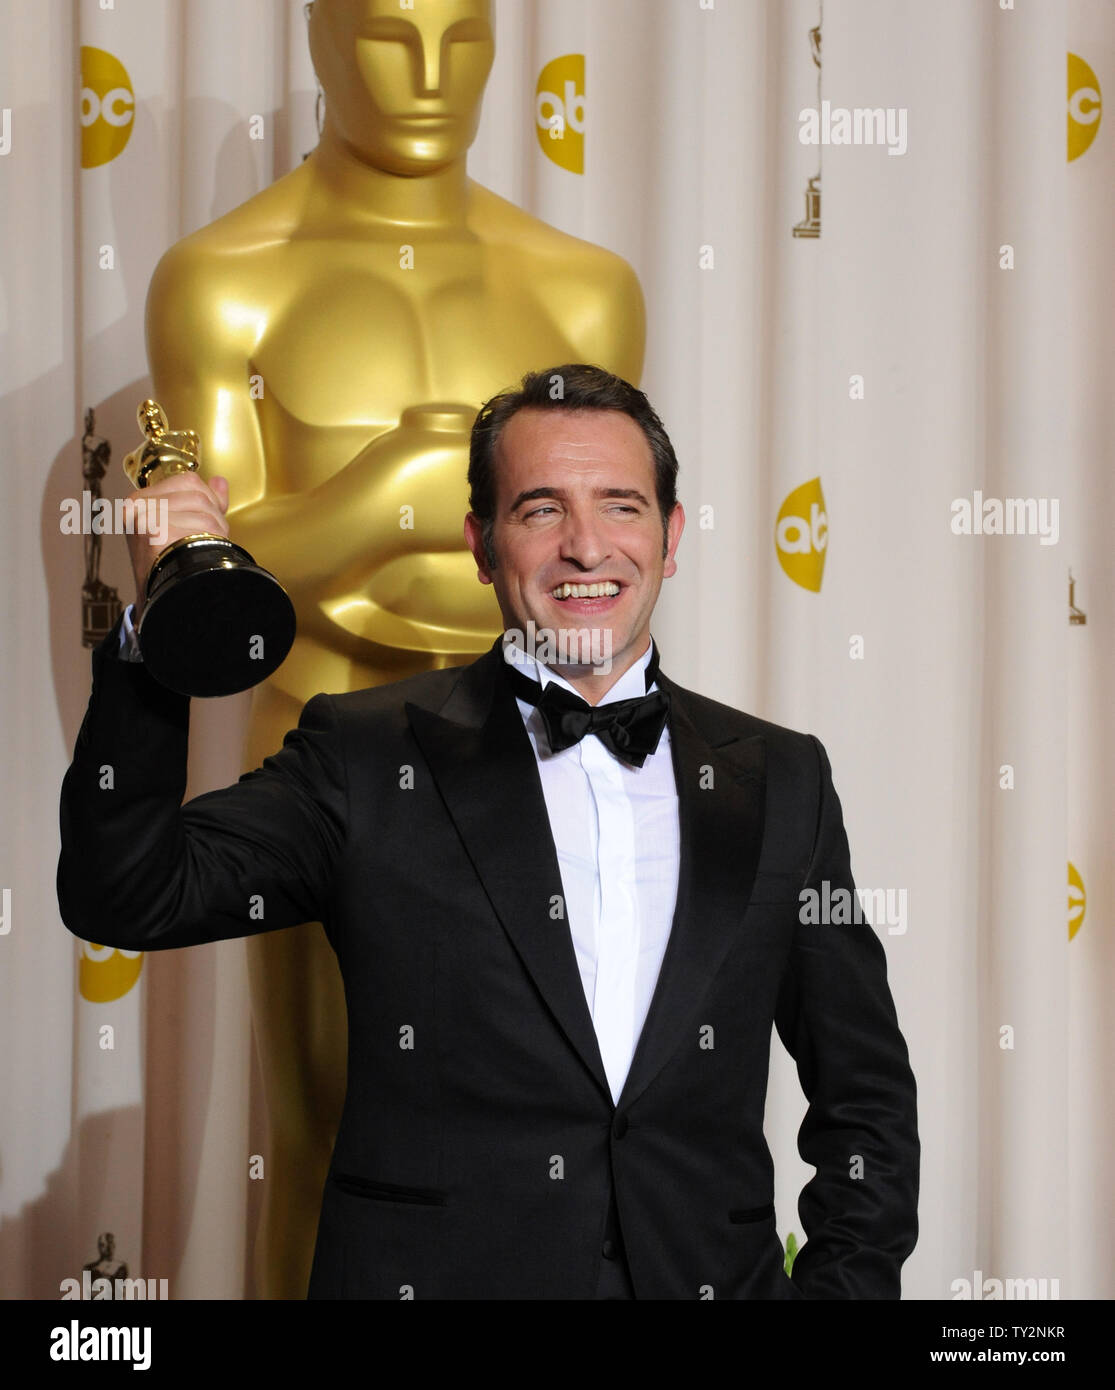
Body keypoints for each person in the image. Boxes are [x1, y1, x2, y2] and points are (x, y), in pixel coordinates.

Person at [58, 363, 919, 1299]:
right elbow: (127, 892)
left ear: (672, 537)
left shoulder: (782, 778)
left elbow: (862, 1092)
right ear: (480, 544)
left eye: (621, 507)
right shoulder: (365, 753)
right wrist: (160, 630)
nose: (586, 548)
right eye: (541, 510)